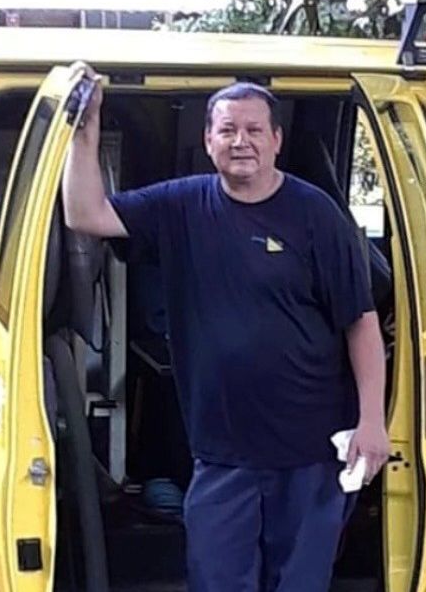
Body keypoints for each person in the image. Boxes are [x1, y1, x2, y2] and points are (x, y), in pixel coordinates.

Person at [62, 62, 390, 592]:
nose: (241, 141)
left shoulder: (316, 215)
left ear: (276, 140)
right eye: (228, 129)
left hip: (311, 455)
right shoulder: (181, 205)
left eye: (254, 129)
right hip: (221, 455)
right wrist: (85, 128)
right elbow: (85, 215)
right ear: (208, 140)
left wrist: (372, 422)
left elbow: (361, 322)